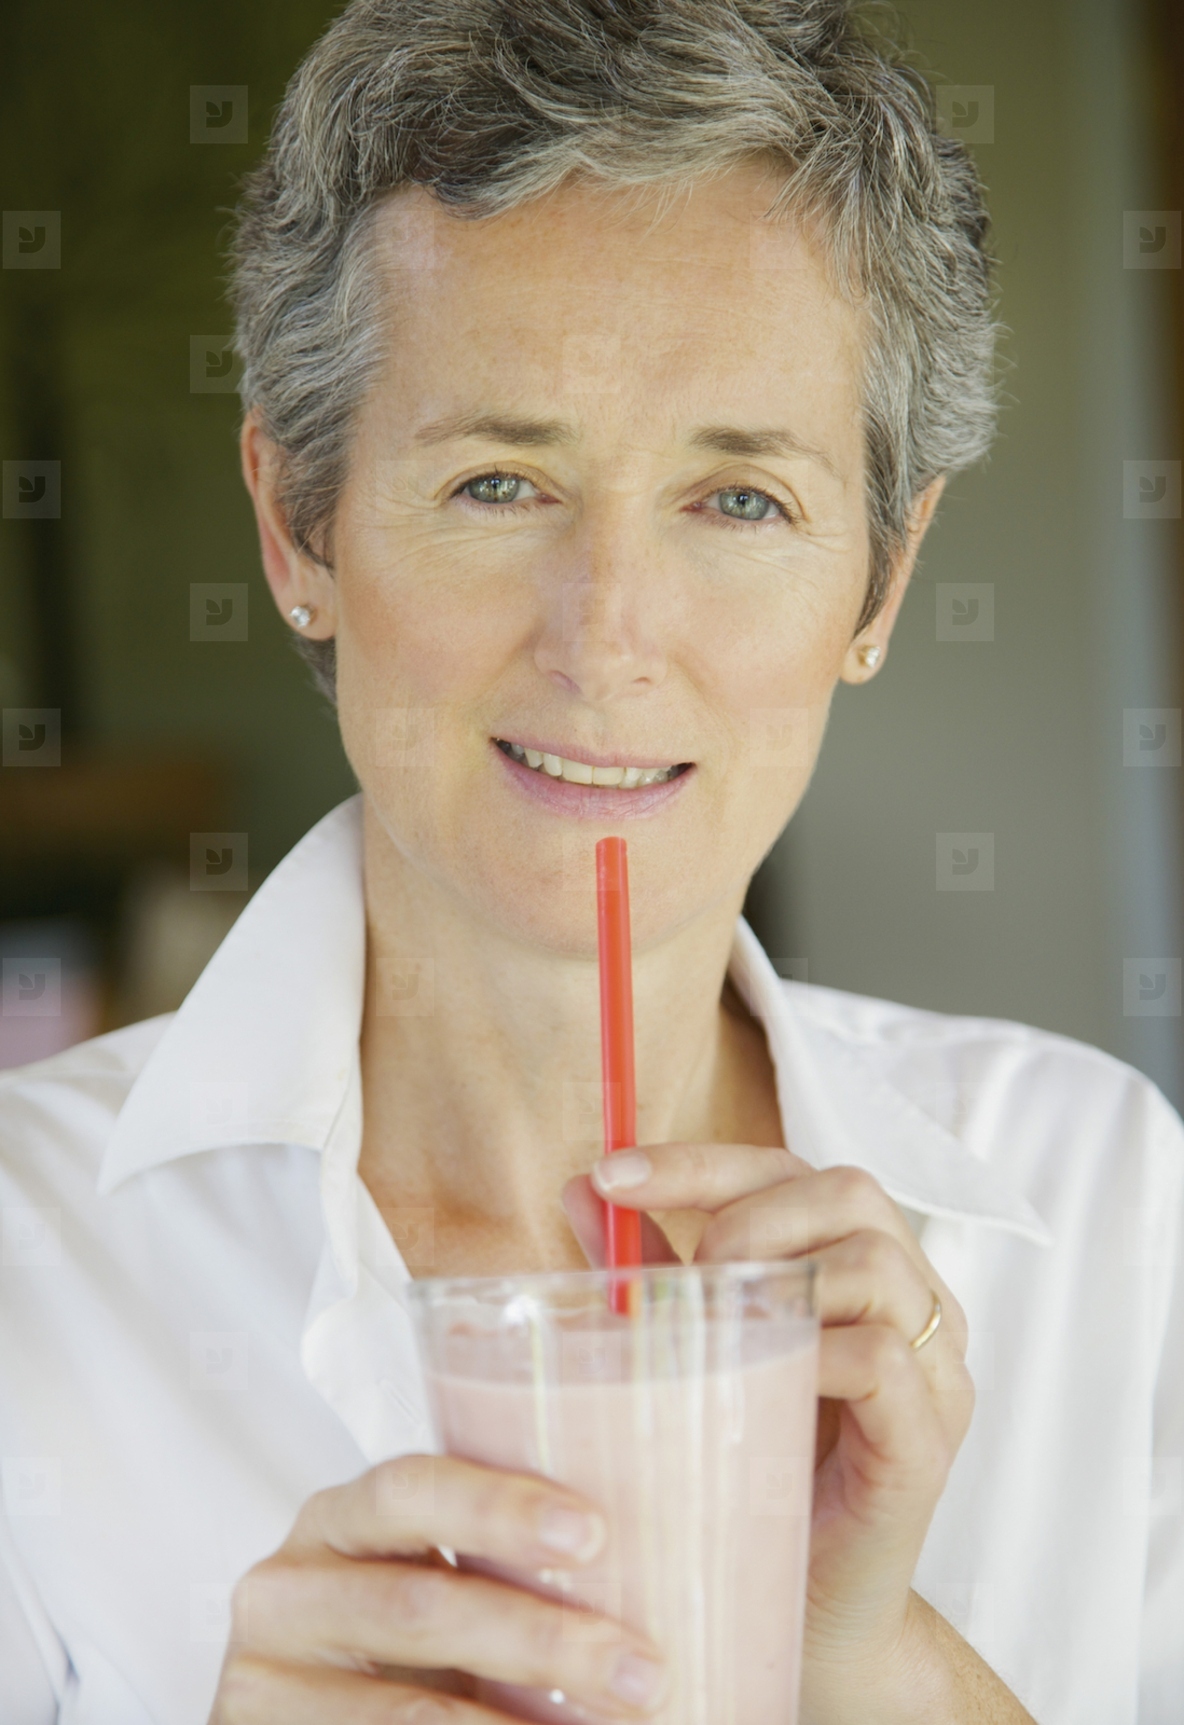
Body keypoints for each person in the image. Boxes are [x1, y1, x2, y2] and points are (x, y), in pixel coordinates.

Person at [1, 1, 1180, 1720]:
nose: (606, 638)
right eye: (498, 482)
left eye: (741, 499)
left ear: (883, 579)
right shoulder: (26, 1262)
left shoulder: (1107, 1205)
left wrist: (875, 1661)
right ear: (295, 525)